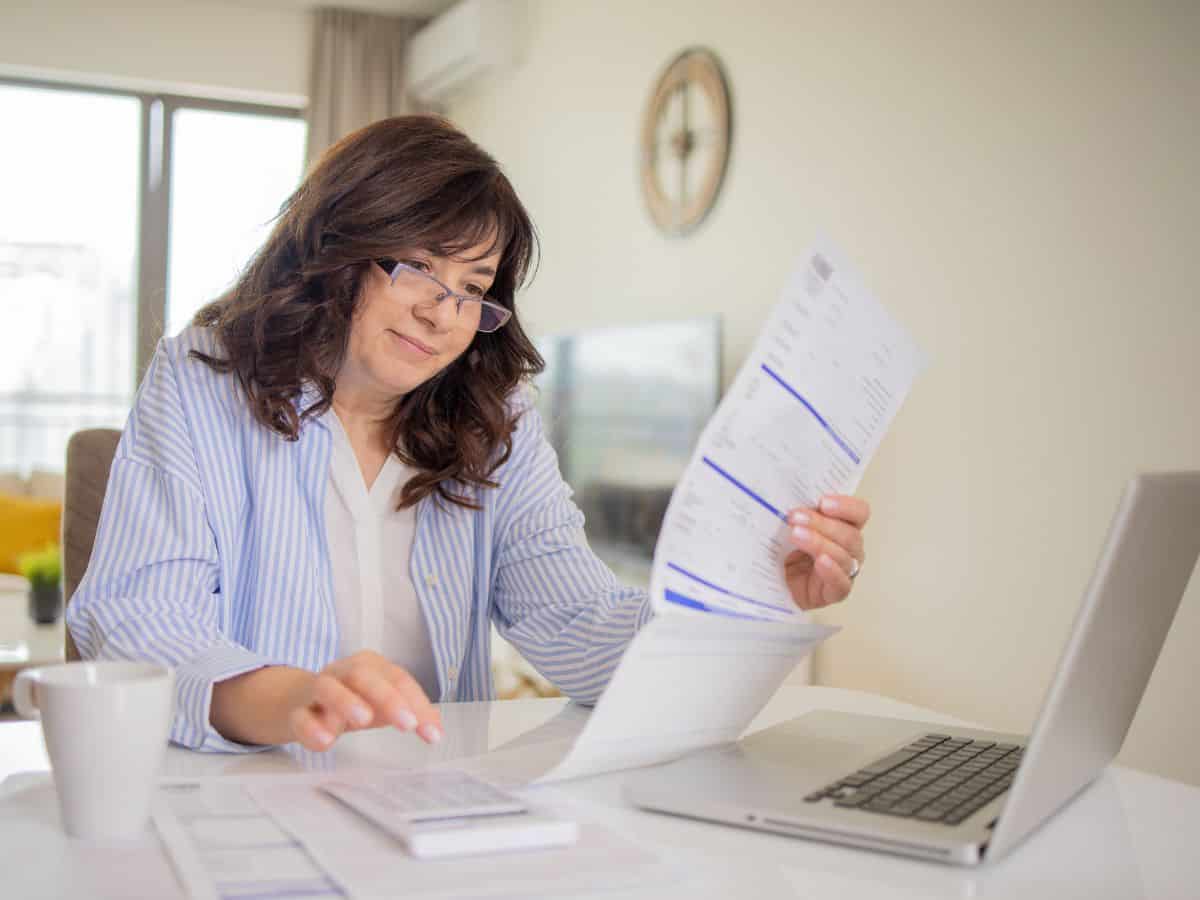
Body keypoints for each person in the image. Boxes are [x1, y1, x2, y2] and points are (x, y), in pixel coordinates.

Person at [66, 115, 870, 754]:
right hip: (243, 795)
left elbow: (575, 622)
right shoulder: (203, 377)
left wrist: (751, 588)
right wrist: (291, 698)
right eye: (416, 266)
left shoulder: (496, 416)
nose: (441, 312)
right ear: (332, 248)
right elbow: (139, 618)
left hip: (427, 810)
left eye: (472, 288)